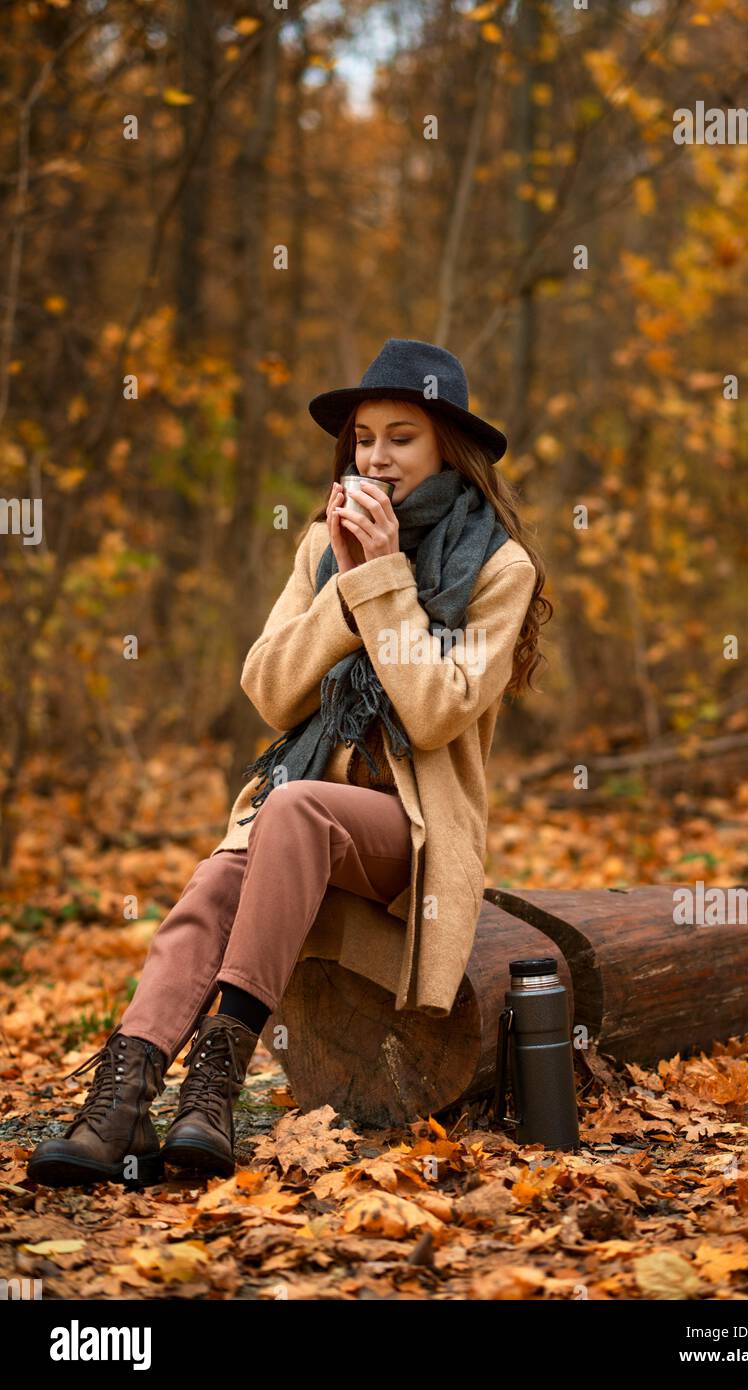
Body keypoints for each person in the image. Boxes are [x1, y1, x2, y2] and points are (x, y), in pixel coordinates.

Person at [27, 338, 550, 1188]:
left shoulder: (499, 564)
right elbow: (269, 690)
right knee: (218, 878)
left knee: (293, 810)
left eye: (401, 437)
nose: (375, 457)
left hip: (410, 838)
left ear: (447, 447)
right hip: (296, 823)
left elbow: (434, 712)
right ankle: (123, 1102)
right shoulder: (320, 546)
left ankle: (217, 1085)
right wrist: (344, 585)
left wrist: (380, 580)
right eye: (363, 439)